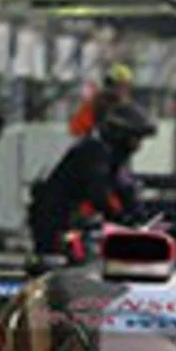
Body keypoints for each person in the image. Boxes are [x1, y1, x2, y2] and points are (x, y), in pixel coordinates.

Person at [30, 103, 156, 257]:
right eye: (135, 139)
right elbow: (100, 193)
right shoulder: (93, 151)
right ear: (121, 136)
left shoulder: (114, 158)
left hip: (75, 221)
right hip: (58, 223)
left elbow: (125, 187)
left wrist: (141, 217)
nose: (138, 147)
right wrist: (123, 219)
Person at [69, 63, 134, 138]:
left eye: (126, 85)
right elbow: (79, 127)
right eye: (120, 85)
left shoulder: (129, 105)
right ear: (111, 85)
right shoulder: (98, 102)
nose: (124, 89)